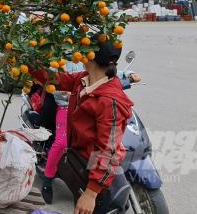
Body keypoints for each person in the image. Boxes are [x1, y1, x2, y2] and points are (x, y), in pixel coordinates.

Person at [29, 42, 134, 214]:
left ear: (90, 57)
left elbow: (110, 151)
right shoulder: (84, 80)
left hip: (96, 179)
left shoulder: (108, 101)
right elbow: (57, 79)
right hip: (81, 167)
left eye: (83, 50)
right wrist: (28, 63)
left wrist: (91, 193)